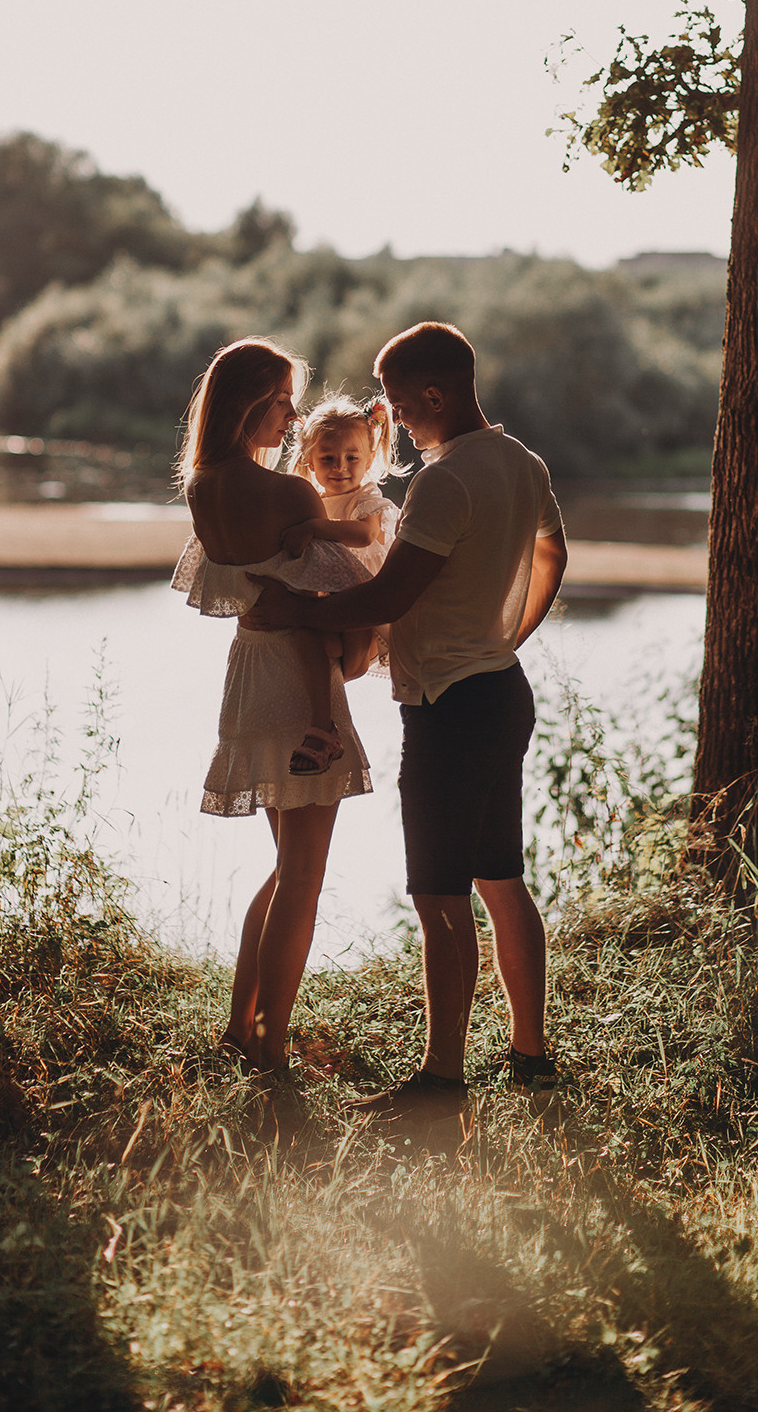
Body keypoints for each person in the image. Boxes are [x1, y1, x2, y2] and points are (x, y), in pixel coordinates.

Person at [247, 321, 568, 1125]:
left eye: (396, 398)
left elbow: (390, 597)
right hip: (501, 690)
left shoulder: (445, 482)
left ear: (434, 393)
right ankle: (530, 1055)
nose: (391, 414)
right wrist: (503, 639)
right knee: (501, 880)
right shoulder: (523, 462)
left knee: (439, 896)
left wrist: (300, 605)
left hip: (448, 710)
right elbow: (553, 555)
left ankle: (441, 1081)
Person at [171, 338, 375, 1074]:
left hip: (248, 679)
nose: (293, 418)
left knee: (287, 866)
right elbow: (349, 597)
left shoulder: (202, 488)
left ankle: (240, 1027)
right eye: (285, 400)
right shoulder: (290, 495)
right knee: (303, 876)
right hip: (299, 683)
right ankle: (271, 1046)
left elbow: (236, 597)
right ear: (253, 401)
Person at [280, 394, 404, 771]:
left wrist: (315, 527)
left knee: (339, 657)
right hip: (330, 608)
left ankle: (322, 722)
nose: (340, 468)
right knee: (305, 637)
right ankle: (322, 728)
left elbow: (364, 536)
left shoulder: (367, 500)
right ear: (308, 461)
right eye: (327, 459)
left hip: (363, 609)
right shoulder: (309, 500)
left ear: (369, 459)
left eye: (352, 458)